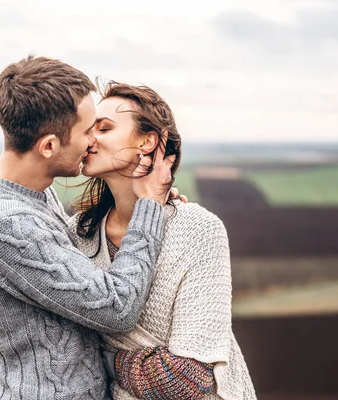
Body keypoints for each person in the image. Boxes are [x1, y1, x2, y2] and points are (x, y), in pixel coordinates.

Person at [0, 56, 178, 399]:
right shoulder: (4, 224)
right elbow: (116, 309)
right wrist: (149, 209)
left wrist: (135, 204)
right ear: (49, 146)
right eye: (88, 131)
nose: (93, 142)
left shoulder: (30, 196)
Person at [70, 81, 257, 399]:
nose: (90, 139)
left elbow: (189, 378)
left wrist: (106, 361)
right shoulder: (79, 234)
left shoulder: (198, 231)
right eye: (88, 129)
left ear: (147, 141)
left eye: (104, 128)